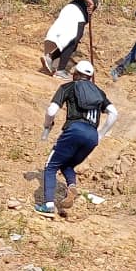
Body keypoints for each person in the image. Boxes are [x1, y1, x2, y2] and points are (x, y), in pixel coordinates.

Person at [35, 60, 118, 218]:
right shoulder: (99, 92)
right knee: (67, 165)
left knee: (50, 166)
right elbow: (114, 113)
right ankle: (72, 185)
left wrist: (47, 125)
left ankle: (48, 205)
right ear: (90, 77)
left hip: (74, 130)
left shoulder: (68, 87)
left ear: (75, 74)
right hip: (92, 136)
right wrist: (100, 134)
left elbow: (51, 111)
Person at [43, 0, 108, 81]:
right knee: (73, 41)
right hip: (76, 14)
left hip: (76, 14)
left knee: (72, 42)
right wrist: (90, 1)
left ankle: (50, 58)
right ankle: (60, 70)